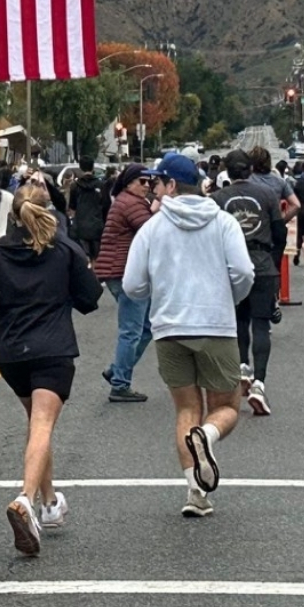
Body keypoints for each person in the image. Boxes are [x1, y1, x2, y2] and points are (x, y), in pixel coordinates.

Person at [0, 183, 100, 556]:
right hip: (52, 345)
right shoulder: (63, 248)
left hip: (12, 349)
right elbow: (90, 296)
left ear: (13, 216)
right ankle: (26, 499)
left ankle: (49, 503)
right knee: (42, 425)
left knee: (35, 426)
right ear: (49, 212)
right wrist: (65, 297)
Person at [123, 152, 253, 519]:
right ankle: (209, 437)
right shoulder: (224, 222)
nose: (151, 190)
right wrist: (230, 298)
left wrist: (157, 293)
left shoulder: (152, 228)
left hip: (169, 327)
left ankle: (196, 493)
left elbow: (133, 284)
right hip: (216, 324)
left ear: (172, 186)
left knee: (186, 408)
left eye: (156, 183)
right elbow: (243, 271)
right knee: (226, 406)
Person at [210, 149, 284, 417]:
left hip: (231, 267)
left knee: (238, 321)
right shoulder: (267, 195)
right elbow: (280, 231)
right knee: (261, 323)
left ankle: (242, 366)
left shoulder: (218, 199)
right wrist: (273, 258)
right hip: (263, 264)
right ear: (250, 170)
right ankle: (260, 384)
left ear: (227, 172)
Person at [95, 163, 157, 403]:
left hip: (117, 270)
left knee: (146, 326)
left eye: (149, 182)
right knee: (132, 330)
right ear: (129, 182)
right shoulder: (131, 204)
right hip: (125, 272)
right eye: (142, 182)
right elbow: (152, 231)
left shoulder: (123, 200)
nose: (147, 186)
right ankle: (120, 383)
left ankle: (118, 369)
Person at [67, 159, 109, 263]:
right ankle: (95, 277)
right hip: (97, 225)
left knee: (84, 258)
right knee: (97, 258)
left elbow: (72, 207)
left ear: (80, 168)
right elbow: (106, 205)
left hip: (81, 226)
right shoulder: (100, 185)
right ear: (93, 167)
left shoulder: (75, 186)